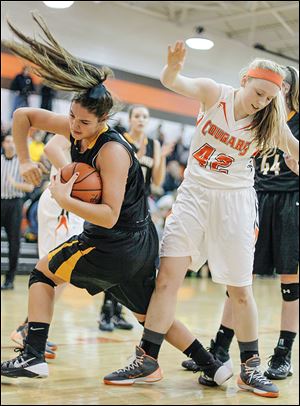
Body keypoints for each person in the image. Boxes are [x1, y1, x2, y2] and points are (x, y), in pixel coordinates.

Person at [1, 16, 232, 388]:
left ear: (103, 119)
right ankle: (214, 367)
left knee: (43, 273)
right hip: (135, 243)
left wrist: (64, 197)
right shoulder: (80, 129)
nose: (74, 127)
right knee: (149, 314)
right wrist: (26, 161)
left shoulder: (112, 151)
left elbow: (108, 216)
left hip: (116, 241)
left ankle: (32, 355)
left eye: (83, 121)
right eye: (72, 117)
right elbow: (22, 115)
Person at [106, 41, 299, 398]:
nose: (261, 101)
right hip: (194, 196)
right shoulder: (215, 94)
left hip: (236, 203)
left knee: (240, 289)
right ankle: (148, 358)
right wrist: (173, 67)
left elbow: (295, 148)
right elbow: (172, 81)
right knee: (167, 280)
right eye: (258, 92)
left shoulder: (268, 120)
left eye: (269, 97)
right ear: (244, 80)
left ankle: (250, 368)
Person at [182, 65, 299, 382]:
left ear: (288, 90)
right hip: (254, 197)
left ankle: (283, 353)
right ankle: (220, 349)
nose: (280, 89)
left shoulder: (289, 124)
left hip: (290, 201)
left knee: (290, 283)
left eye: (286, 84)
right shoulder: (253, 115)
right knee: (238, 279)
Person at [99, 104, 173, 332]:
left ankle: (119, 312)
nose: (141, 119)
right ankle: (106, 313)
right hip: (118, 203)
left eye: (145, 116)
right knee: (114, 258)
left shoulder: (154, 145)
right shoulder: (120, 140)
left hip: (140, 206)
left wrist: (160, 156)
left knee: (131, 260)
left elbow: (157, 182)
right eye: (137, 116)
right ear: (130, 119)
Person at [10, 134, 85, 359]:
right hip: (59, 205)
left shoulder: (98, 135)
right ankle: (28, 330)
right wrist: (78, 177)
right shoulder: (74, 126)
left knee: (64, 272)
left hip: (73, 205)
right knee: (55, 270)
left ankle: (30, 328)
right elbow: (51, 148)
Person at [1, 134, 34, 289]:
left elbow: (30, 187)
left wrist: (15, 184)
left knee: (14, 242)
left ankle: (10, 280)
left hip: (14, 203)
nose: (10, 144)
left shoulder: (22, 164)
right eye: (7, 141)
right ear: (3, 143)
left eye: (13, 141)